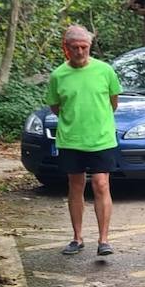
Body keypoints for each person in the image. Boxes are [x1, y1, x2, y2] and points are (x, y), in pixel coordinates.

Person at [46, 25, 121, 257]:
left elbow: (113, 102)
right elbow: (56, 106)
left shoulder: (105, 70)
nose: (80, 51)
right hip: (71, 140)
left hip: (101, 138)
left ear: (90, 47)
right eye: (75, 47)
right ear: (66, 48)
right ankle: (77, 238)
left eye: (84, 47)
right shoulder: (58, 75)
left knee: (101, 183)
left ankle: (104, 239)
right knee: (75, 186)